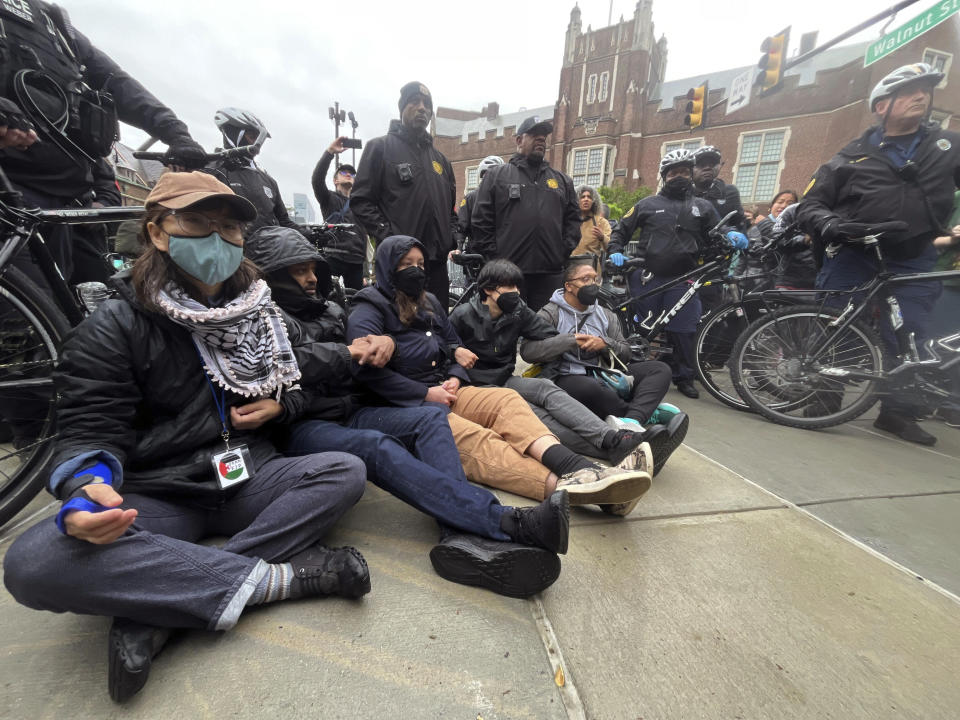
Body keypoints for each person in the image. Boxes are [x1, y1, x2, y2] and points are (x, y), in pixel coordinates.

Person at [2, 172, 375, 703]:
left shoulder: (263, 314)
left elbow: (300, 368)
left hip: (248, 476)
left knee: (344, 471)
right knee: (33, 563)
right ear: (158, 233)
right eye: (197, 222)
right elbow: (88, 424)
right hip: (159, 493)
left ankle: (162, 608)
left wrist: (289, 398)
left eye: (229, 227)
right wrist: (88, 485)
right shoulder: (114, 324)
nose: (217, 239)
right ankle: (286, 579)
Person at [244, 226, 570, 597]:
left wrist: (391, 346)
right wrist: (376, 354)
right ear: (270, 274)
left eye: (312, 269)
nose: (311, 278)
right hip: (304, 424)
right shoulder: (260, 321)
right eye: (298, 271)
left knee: (431, 419)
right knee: (377, 446)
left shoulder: (333, 308)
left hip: (352, 408)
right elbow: (299, 366)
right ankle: (505, 521)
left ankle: (457, 536)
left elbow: (393, 352)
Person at [347, 235, 654, 511]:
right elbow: (367, 374)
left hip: (450, 388)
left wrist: (454, 374)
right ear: (388, 267)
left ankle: (585, 469)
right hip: (405, 404)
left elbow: (453, 345)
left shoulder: (429, 303)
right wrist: (425, 393)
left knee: (508, 401)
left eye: (420, 263)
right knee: (479, 438)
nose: (416, 270)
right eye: (406, 264)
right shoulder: (369, 309)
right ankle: (575, 490)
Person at [798, 62, 960, 445]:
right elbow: (810, 204)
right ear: (881, 105)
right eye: (909, 91)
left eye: (925, 90)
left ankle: (896, 413)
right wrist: (829, 224)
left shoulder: (948, 147)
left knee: (909, 337)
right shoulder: (850, 154)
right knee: (833, 323)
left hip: (913, 253)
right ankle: (824, 399)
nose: (920, 96)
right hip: (855, 252)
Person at [0, 1, 205, 284]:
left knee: (94, 302)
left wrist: (176, 133)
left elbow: (119, 84)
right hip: (10, 193)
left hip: (68, 204)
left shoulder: (57, 26)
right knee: (25, 317)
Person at [449, 259, 687, 493]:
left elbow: (548, 334)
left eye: (517, 286)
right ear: (489, 290)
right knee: (538, 417)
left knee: (543, 388)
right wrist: (456, 352)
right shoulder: (463, 314)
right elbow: (442, 345)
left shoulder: (519, 311)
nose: (516, 293)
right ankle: (619, 451)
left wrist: (582, 341)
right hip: (474, 387)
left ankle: (617, 439)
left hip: (504, 379)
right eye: (509, 287)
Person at [519, 260, 689, 485]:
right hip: (568, 376)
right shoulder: (550, 313)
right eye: (585, 279)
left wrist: (604, 343)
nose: (593, 284)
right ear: (569, 286)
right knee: (590, 388)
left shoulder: (606, 315)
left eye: (595, 279)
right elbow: (528, 351)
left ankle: (631, 421)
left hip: (607, 374)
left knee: (659, 369)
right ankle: (645, 414)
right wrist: (568, 341)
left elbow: (626, 351)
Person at [608, 149, 748, 398]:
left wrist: (730, 234)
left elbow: (718, 228)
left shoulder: (702, 206)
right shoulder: (647, 204)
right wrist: (615, 251)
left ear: (691, 174)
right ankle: (637, 371)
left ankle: (684, 376)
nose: (679, 176)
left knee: (684, 331)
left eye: (684, 172)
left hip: (684, 279)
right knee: (643, 329)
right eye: (673, 173)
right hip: (647, 276)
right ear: (664, 176)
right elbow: (621, 231)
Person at [351, 82, 459, 308]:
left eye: (427, 105)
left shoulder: (441, 162)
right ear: (402, 108)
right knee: (400, 328)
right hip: (400, 264)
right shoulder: (380, 148)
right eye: (414, 102)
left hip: (436, 265)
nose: (422, 108)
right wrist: (389, 236)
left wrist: (452, 237)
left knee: (437, 327)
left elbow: (451, 211)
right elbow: (361, 201)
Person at [470, 115, 581, 311]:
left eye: (544, 136)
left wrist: (560, 253)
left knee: (545, 332)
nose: (541, 139)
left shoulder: (562, 181)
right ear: (519, 140)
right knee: (506, 331)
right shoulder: (497, 176)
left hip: (549, 274)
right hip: (509, 275)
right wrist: (496, 260)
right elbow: (481, 221)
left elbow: (573, 220)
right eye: (534, 134)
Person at [205, 107, 303, 236]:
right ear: (233, 135)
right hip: (231, 249)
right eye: (252, 136)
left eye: (260, 139)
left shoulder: (268, 180)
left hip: (269, 251)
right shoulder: (209, 170)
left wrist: (314, 234)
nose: (258, 144)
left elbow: (284, 221)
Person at [311, 138, 367, 289]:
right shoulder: (328, 198)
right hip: (333, 256)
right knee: (325, 296)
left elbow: (364, 235)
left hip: (355, 260)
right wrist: (330, 153)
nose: (349, 175)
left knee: (357, 300)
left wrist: (365, 271)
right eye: (344, 172)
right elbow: (317, 180)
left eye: (352, 174)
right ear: (335, 180)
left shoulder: (360, 205)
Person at [458, 155, 504, 248]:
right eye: (486, 175)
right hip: (476, 252)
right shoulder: (470, 198)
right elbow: (462, 226)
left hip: (502, 251)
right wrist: (458, 247)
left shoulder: (506, 197)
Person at [768, 201, 816, 290]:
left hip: (823, 280)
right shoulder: (793, 210)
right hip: (790, 279)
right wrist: (804, 240)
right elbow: (777, 240)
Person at [571, 185, 612, 267]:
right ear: (576, 200)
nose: (586, 199)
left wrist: (602, 237)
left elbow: (611, 247)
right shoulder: (569, 221)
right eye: (582, 197)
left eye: (589, 197)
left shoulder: (601, 222)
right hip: (570, 268)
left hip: (591, 270)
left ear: (594, 201)